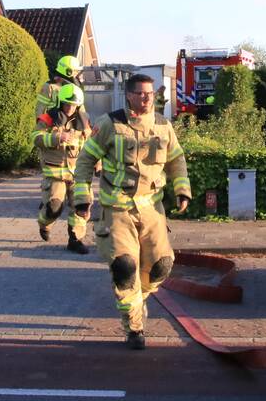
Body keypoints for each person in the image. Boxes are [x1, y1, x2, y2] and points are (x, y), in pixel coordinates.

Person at [72, 73, 192, 350]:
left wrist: (182, 189)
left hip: (152, 208)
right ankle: (134, 327)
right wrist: (82, 197)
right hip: (117, 209)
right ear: (129, 95)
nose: (147, 98)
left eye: (150, 94)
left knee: (162, 265)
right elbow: (86, 159)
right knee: (125, 267)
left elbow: (177, 160)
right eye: (141, 93)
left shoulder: (163, 125)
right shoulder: (109, 125)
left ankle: (138, 298)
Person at [31, 83, 93, 254]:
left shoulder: (84, 121)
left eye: (74, 105)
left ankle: (75, 240)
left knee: (81, 206)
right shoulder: (48, 119)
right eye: (67, 104)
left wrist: (98, 163)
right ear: (60, 102)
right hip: (55, 174)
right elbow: (35, 137)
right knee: (54, 208)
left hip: (78, 174)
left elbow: (91, 143)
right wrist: (56, 137)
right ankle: (44, 223)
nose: (70, 108)